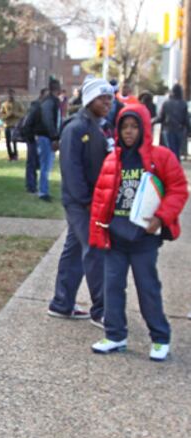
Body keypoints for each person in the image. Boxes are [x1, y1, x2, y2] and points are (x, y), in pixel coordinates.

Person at [89, 104, 188, 360]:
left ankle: (159, 337)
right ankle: (114, 334)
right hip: (115, 238)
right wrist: (98, 233)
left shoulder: (161, 157)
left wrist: (161, 217)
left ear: (144, 128)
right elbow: (101, 199)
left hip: (144, 239)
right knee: (112, 288)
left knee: (148, 289)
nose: (129, 132)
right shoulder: (113, 159)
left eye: (134, 127)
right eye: (124, 127)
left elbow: (178, 189)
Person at [47, 78, 114, 326]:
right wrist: (86, 200)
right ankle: (102, 310)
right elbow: (71, 169)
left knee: (74, 250)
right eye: (101, 97)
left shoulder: (102, 126)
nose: (107, 102)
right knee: (95, 250)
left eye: (109, 97)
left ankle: (61, 303)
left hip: (95, 201)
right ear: (89, 99)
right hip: (81, 203)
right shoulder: (76, 129)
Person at [34, 79, 63, 201]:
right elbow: (49, 120)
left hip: (46, 136)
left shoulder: (49, 101)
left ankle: (43, 190)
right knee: (46, 164)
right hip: (46, 137)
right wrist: (54, 137)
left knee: (47, 164)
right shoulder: (51, 102)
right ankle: (43, 192)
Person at [153, 84, 189, 161]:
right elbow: (186, 120)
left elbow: (160, 118)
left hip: (168, 130)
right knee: (177, 151)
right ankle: (176, 165)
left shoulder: (166, 103)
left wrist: (151, 121)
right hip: (179, 130)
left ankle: (172, 165)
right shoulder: (183, 104)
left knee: (171, 150)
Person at [0, 88, 26, 161]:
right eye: (9, 94)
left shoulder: (18, 104)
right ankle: (10, 155)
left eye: (12, 94)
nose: (11, 96)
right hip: (7, 125)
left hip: (15, 125)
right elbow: (1, 115)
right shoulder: (4, 104)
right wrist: (8, 115)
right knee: (8, 142)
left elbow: (23, 113)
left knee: (14, 141)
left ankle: (15, 155)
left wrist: (16, 114)